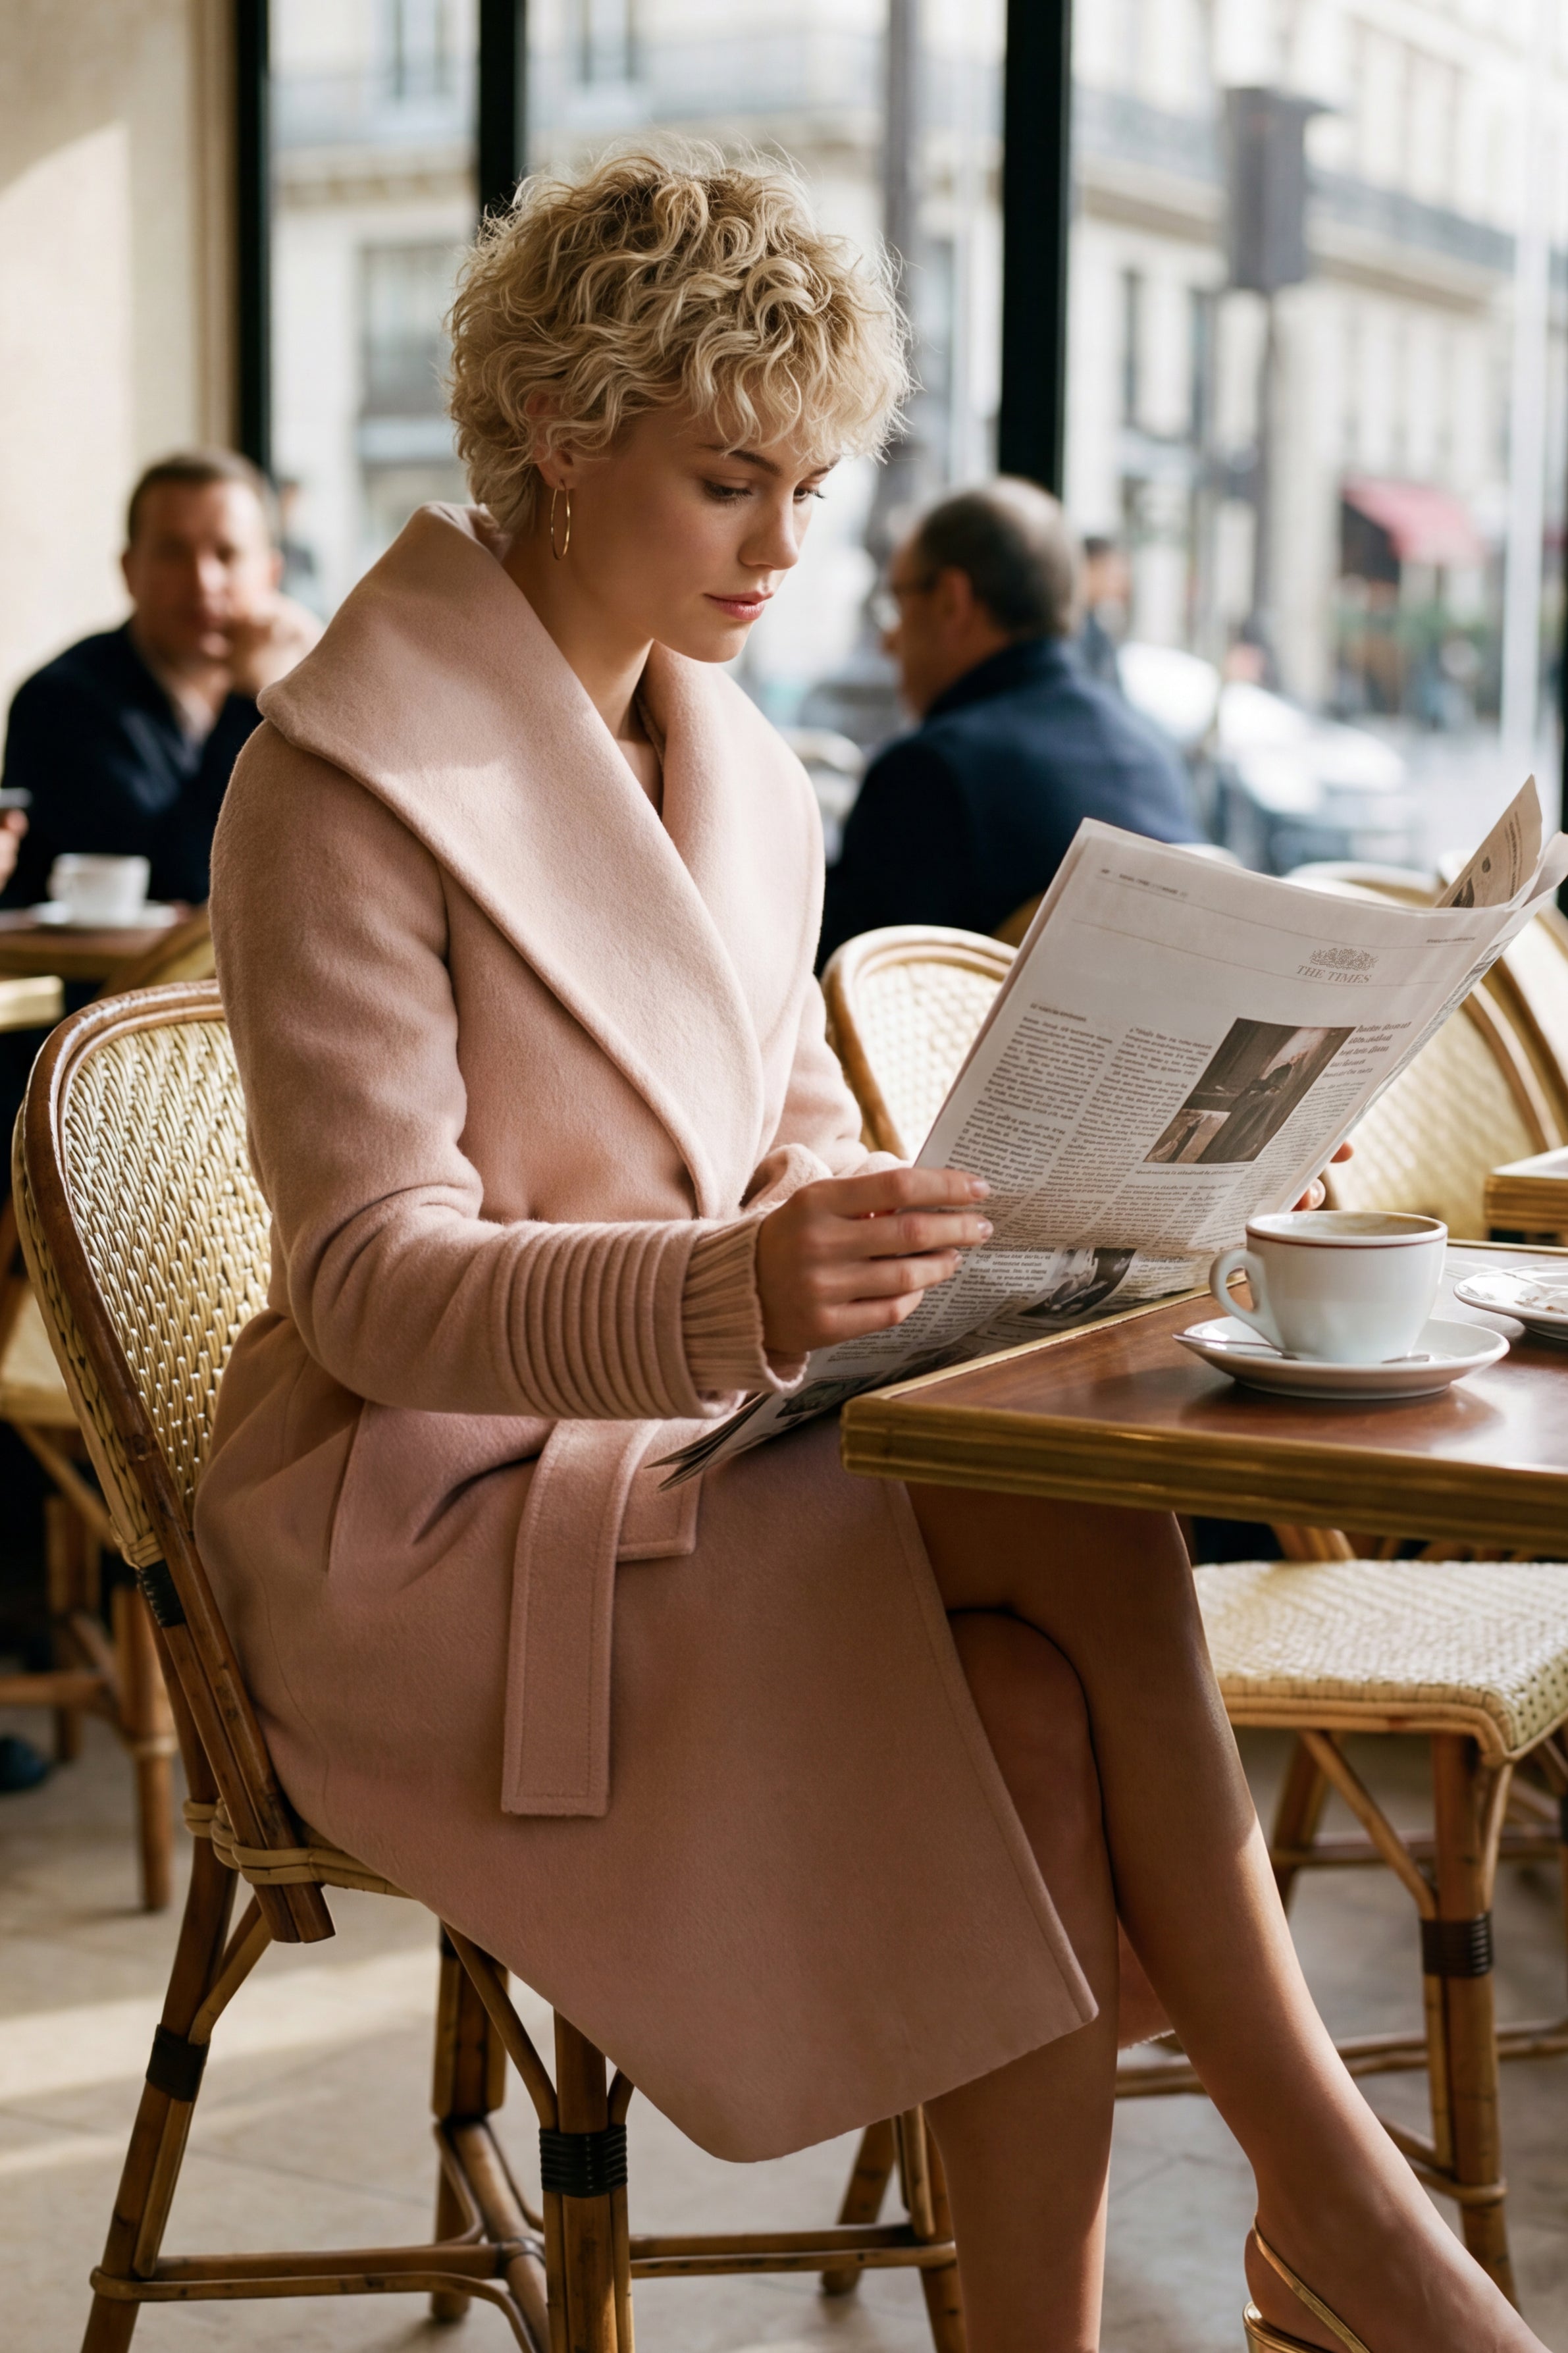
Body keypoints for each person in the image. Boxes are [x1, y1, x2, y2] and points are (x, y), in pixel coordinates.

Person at [192, 149, 1538, 2353]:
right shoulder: (335, 778)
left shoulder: (739, 768)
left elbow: (813, 1169)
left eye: (813, 487)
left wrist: (1155, 1196)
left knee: (1024, 1705)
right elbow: (366, 1279)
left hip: (671, 1465)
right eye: (731, 479)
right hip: (421, 1529)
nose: (791, 552)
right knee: (1067, 1535)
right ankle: (1346, 2215)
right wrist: (734, 1291)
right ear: (564, 421)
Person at [818, 481, 1202, 965]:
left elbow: (835, 989)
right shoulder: (1149, 753)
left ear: (951, 602)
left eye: (897, 603)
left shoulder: (929, 774)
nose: (888, 643)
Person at [0, 449, 320, 911]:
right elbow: (177, 879)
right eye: (173, 553)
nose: (203, 580)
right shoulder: (61, 702)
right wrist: (249, 703)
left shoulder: (298, 690)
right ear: (130, 571)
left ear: (271, 574)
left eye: (227, 554)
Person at [1077, 532, 1129, 689]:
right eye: (1112, 574)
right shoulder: (1072, 630)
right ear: (1089, 568)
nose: (1121, 584)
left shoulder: (1095, 627)